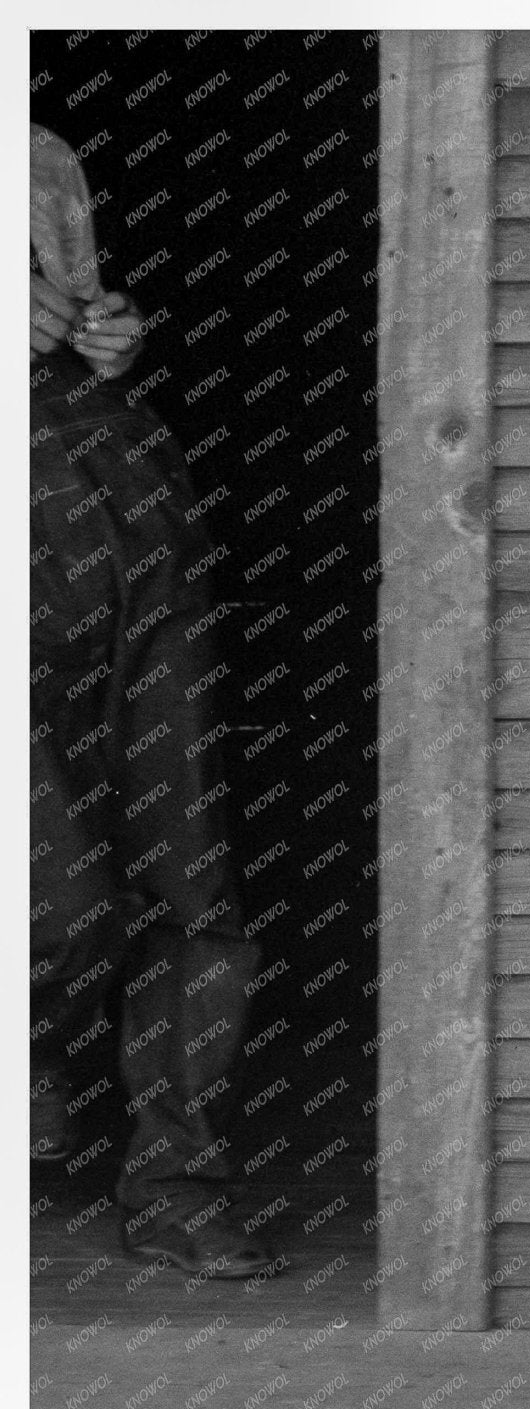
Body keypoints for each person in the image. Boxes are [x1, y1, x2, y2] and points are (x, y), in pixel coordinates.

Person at [29, 123, 278, 1277]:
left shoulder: (38, 151)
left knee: (192, 882)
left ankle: (179, 1186)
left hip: (126, 510)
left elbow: (79, 293)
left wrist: (107, 337)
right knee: (60, 894)